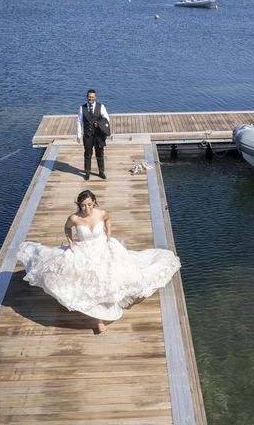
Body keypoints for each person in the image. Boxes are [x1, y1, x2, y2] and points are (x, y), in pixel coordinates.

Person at [17, 190, 181, 333]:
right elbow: (66, 228)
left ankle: (108, 308)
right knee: (86, 283)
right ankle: (99, 320)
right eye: (83, 205)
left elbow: (108, 219)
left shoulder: (101, 213)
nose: (86, 208)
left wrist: (109, 235)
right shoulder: (74, 218)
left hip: (103, 248)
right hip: (84, 251)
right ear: (79, 205)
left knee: (110, 277)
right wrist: (70, 243)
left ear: (94, 202)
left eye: (89, 205)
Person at [77, 89, 110, 180]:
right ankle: (87, 173)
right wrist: (79, 135)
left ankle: (101, 172)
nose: (90, 98)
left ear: (95, 97)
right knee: (87, 154)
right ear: (87, 97)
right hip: (87, 135)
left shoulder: (101, 106)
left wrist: (99, 123)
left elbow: (107, 118)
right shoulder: (82, 108)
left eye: (92, 97)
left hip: (99, 135)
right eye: (89, 97)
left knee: (100, 153)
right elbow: (79, 122)